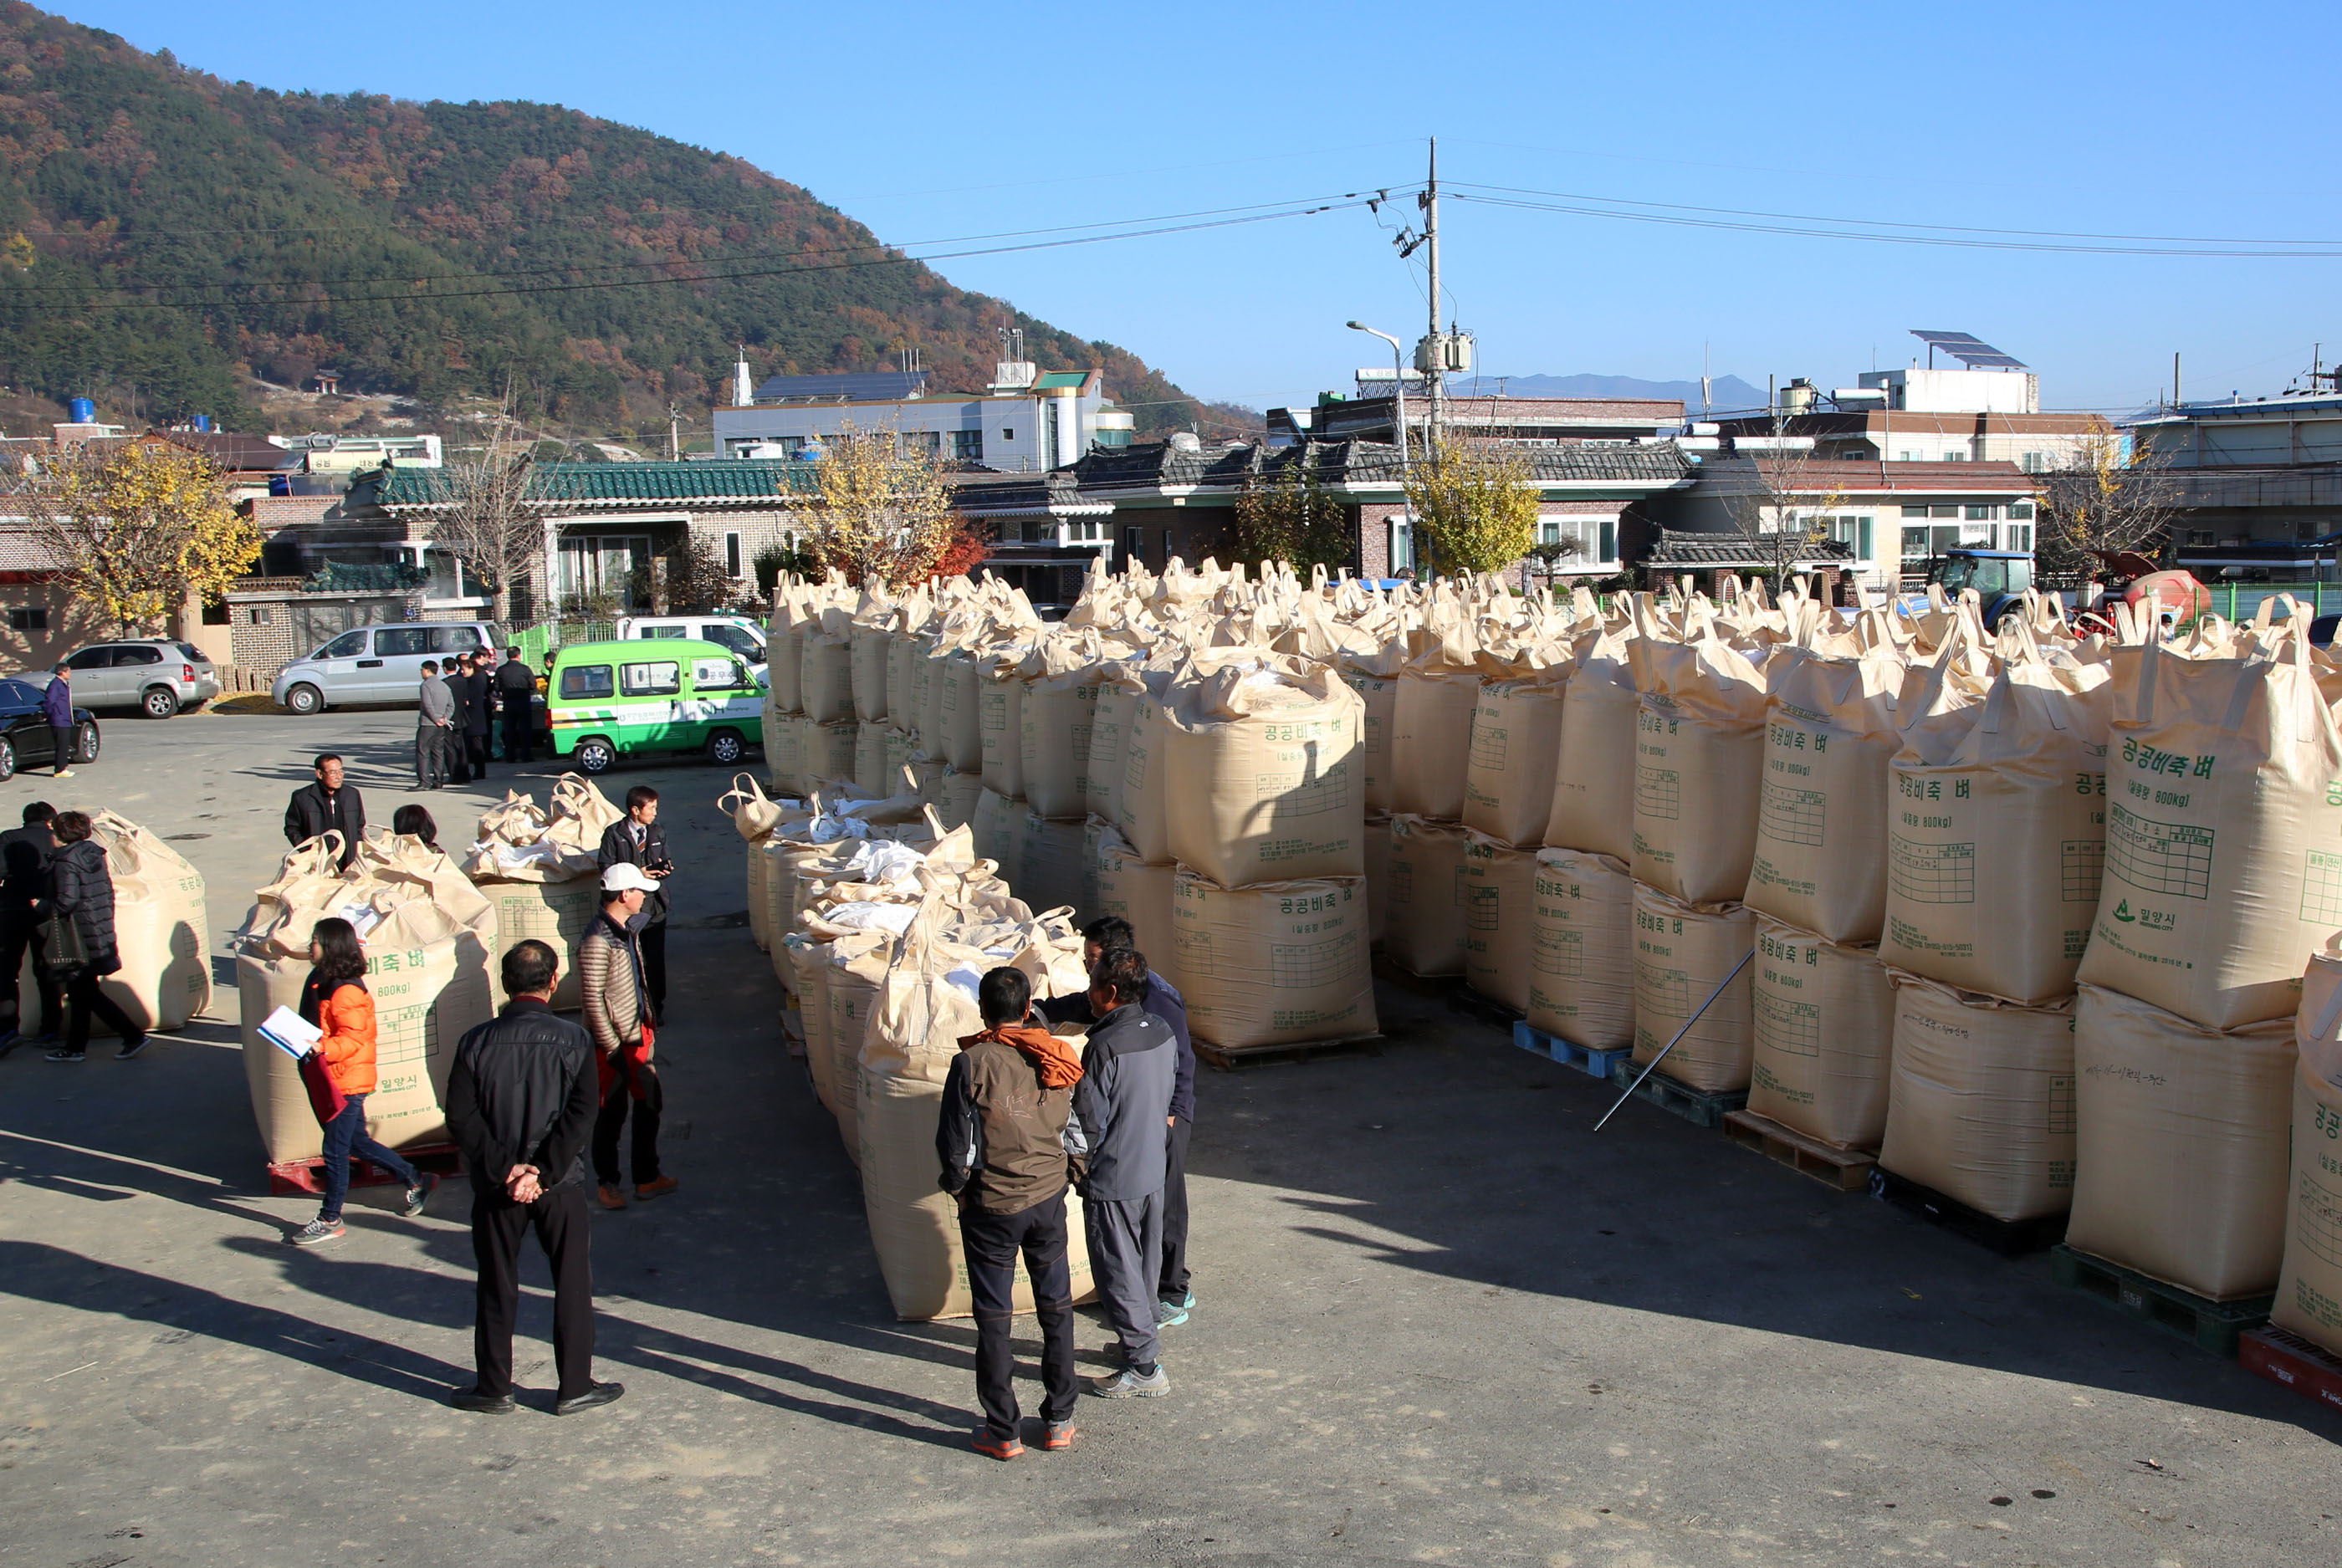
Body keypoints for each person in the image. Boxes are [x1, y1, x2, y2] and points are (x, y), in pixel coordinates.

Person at [442, 939, 622, 1417]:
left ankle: (494, 1386)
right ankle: (575, 1385)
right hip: (558, 1185)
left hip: (497, 1186)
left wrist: (507, 1169)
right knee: (571, 1282)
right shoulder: (574, 1040)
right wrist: (543, 1170)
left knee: (496, 1281)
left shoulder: (476, 1042)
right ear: (553, 980)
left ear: (505, 983)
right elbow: (582, 1113)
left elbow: (461, 1117)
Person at [938, 965, 1085, 1458]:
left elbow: (955, 1144)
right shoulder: (1055, 1054)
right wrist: (1074, 1171)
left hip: (992, 1209)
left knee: (995, 1319)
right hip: (1047, 1202)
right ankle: (1060, 1420)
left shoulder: (971, 1063)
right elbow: (1075, 1127)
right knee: (1056, 1309)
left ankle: (1003, 1431)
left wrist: (959, 1189)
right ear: (1027, 1010)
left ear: (983, 1010)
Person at [1040, 917, 1198, 1327]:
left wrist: (1171, 1114)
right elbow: (1079, 1004)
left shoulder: (1158, 1001)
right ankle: (1142, 1292)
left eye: (1093, 961)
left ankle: (1172, 1291)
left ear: (1116, 961)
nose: (1088, 969)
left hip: (1166, 1114)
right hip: (1140, 1110)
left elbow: (1182, 1061)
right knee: (1144, 1203)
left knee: (1165, 1203)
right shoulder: (1112, 996)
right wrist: (1038, 1011)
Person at [286, 917, 438, 1247]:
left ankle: (330, 1218)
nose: (309, 947)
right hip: (332, 1076)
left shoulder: (345, 991)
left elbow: (354, 1039)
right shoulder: (320, 978)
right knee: (356, 1143)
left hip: (347, 1082)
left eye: (315, 941)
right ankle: (415, 1178)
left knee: (335, 1151)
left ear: (331, 947)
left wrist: (322, 1047)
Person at [1070, 947, 1178, 1397]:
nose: (1088, 994)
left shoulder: (1104, 1046)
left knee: (1118, 1270)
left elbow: (1088, 1121)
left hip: (1114, 1176)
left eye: (1092, 985)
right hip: (1152, 1166)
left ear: (1110, 992)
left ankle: (1144, 1367)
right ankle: (1140, 1337)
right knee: (1145, 1266)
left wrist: (1075, 1168)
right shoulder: (1162, 1031)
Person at [579, 863, 678, 1209]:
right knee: (612, 1111)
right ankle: (608, 1182)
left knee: (650, 1103)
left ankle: (647, 1176)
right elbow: (593, 999)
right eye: (639, 892)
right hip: (613, 1043)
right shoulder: (597, 940)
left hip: (637, 1033)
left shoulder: (625, 930)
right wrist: (611, 1048)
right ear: (624, 895)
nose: (643, 898)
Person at [43, 810, 144, 1063]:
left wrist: (42, 906)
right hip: (98, 929)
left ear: (62, 834)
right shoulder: (92, 853)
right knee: (82, 992)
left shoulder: (66, 861)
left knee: (84, 992)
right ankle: (76, 1048)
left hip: (79, 935)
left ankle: (132, 1035)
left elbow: (67, 901)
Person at [595, 786, 670, 1019]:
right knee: (629, 961)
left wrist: (664, 869)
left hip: (654, 906)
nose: (655, 813)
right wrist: (638, 874)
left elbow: (665, 858)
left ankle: (656, 1009)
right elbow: (606, 868)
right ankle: (632, 1009)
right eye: (651, 808)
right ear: (635, 810)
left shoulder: (657, 832)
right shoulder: (614, 834)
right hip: (626, 908)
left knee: (654, 961)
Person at [0, 801, 60, 1056]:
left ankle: (7, 1029)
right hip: (45, 911)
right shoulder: (56, 838)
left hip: (11, 912)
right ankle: (50, 1030)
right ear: (50, 821)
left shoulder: (8, 838)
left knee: (6, 971)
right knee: (47, 971)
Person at [284, 753, 365, 871]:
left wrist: (358, 849)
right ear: (319, 774)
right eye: (333, 772)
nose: (339, 776)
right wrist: (307, 850)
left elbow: (359, 825)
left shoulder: (352, 795)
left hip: (349, 862)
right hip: (318, 862)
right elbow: (292, 828)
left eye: (341, 771)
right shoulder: (302, 797)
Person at [495, 646, 538, 765]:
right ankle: (526, 755)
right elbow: (533, 685)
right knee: (525, 730)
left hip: (508, 703)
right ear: (518, 655)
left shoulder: (501, 670)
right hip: (523, 702)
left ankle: (510, 756)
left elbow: (496, 687)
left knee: (509, 731)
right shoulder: (525, 669)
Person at [417, 659, 454, 789]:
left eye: (422, 669)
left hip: (428, 724)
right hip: (441, 725)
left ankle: (424, 781)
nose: (421, 672)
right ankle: (439, 781)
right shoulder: (444, 686)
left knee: (423, 751)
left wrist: (436, 719)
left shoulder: (426, 685)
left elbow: (427, 705)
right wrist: (444, 719)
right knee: (438, 752)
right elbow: (451, 705)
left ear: (427, 670)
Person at [462, 650, 497, 778]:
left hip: (475, 718)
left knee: (477, 745)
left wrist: (466, 701)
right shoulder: (475, 678)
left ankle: (480, 772)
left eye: (464, 669)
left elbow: (471, 700)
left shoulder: (475, 681)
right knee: (475, 745)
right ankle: (479, 771)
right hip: (476, 717)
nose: (462, 672)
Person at [442, 658, 474, 784]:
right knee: (461, 746)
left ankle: (454, 775)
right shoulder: (463, 681)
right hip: (461, 717)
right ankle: (465, 774)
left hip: (449, 718)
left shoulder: (444, 683)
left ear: (445, 668)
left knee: (449, 748)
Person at [42, 661, 76, 779]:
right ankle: (60, 769)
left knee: (64, 744)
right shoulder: (56, 685)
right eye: (68, 672)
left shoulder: (63, 684)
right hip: (59, 719)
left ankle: (63, 767)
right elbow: (49, 701)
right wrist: (48, 714)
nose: (70, 674)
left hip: (65, 718)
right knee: (62, 745)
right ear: (62, 672)